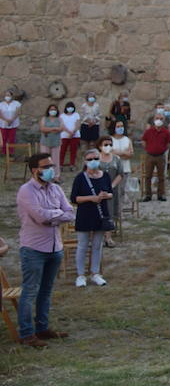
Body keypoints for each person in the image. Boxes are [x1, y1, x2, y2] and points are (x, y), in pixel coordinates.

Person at [15, 152, 75, 347]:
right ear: (35, 170)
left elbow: (70, 213)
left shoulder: (56, 189)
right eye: (46, 166)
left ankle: (42, 327)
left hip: (54, 246)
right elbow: (40, 216)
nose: (51, 169)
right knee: (30, 291)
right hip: (33, 247)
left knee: (46, 290)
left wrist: (53, 215)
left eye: (52, 166)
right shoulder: (26, 191)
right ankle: (26, 334)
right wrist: (57, 214)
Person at [71, 148, 114, 287]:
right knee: (82, 245)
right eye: (90, 159)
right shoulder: (80, 177)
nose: (93, 161)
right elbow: (74, 198)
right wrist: (92, 198)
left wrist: (104, 196)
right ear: (85, 161)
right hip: (85, 214)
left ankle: (95, 273)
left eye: (95, 158)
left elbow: (110, 193)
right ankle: (80, 275)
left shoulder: (105, 175)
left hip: (100, 214)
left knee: (97, 246)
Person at [94, 136, 125, 246]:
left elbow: (120, 174)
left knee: (110, 212)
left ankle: (108, 237)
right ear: (100, 146)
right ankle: (97, 237)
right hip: (97, 190)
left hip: (112, 190)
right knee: (97, 212)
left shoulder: (116, 158)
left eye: (110, 144)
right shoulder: (95, 159)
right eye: (106, 144)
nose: (108, 147)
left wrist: (111, 186)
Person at [140, 113, 170, 202]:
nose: (159, 120)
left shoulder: (166, 132)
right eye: (157, 118)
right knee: (148, 176)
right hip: (149, 156)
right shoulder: (149, 131)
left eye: (161, 119)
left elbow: (168, 143)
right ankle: (148, 194)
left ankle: (161, 194)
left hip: (160, 156)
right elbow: (143, 140)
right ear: (154, 120)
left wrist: (163, 149)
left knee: (161, 176)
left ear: (163, 120)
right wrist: (147, 149)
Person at [58, 101, 81, 167]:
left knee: (73, 150)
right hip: (64, 136)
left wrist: (73, 132)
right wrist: (69, 132)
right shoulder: (62, 115)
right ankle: (61, 164)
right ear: (66, 108)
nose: (70, 108)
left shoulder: (76, 114)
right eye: (69, 107)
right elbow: (62, 125)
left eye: (71, 107)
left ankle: (72, 164)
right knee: (62, 151)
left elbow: (78, 124)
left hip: (75, 136)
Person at [0, 90, 20, 157]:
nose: (7, 97)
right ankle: (4, 152)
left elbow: (18, 112)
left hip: (13, 123)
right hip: (3, 123)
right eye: (6, 95)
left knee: (12, 138)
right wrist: (6, 120)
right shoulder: (1, 104)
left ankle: (11, 152)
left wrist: (12, 120)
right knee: (4, 138)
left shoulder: (16, 103)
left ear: (11, 96)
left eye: (8, 95)